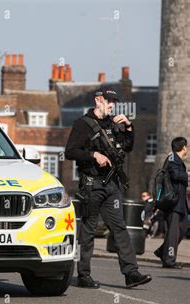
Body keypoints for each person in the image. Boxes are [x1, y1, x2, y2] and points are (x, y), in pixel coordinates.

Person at [65, 87, 152, 289]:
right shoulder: (83, 124)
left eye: (114, 102)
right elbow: (70, 151)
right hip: (91, 184)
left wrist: (129, 127)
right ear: (98, 100)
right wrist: (93, 155)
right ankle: (84, 275)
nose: (112, 105)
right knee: (88, 229)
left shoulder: (113, 125)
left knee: (120, 228)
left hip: (112, 185)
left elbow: (127, 147)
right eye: (108, 101)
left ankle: (131, 273)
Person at [154, 137, 188, 269]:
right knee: (173, 232)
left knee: (182, 228)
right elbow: (175, 175)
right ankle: (169, 260)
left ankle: (162, 251)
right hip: (173, 201)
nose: (187, 149)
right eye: (186, 147)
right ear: (183, 147)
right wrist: (188, 175)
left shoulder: (176, 160)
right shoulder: (172, 159)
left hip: (180, 202)